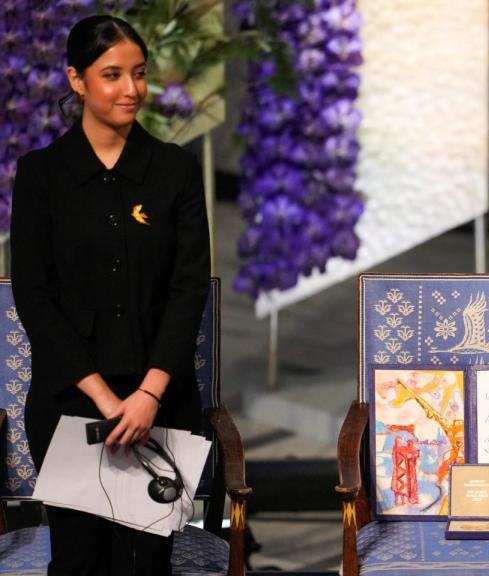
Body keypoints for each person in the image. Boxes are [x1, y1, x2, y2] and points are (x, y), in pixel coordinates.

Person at [11, 14, 210, 576]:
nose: (131, 90)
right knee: (79, 563)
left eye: (140, 74)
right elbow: (34, 296)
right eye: (112, 74)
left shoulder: (175, 171)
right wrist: (102, 396)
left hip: (161, 401)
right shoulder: (40, 176)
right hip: (71, 402)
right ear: (77, 80)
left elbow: (187, 287)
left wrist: (148, 394)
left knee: (148, 565)